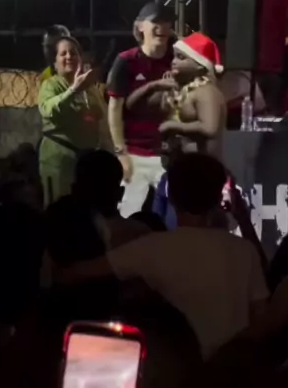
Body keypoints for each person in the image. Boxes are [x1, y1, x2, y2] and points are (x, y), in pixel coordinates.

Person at [59, 154, 270, 360]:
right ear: (217, 198)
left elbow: (73, 274)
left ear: (171, 195)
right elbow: (262, 319)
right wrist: (242, 218)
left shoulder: (151, 248)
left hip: (175, 373)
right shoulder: (245, 251)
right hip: (231, 372)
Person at [107, 2, 175, 217]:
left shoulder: (178, 60)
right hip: (134, 155)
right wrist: (121, 153)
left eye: (166, 22)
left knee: (174, 217)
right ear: (140, 27)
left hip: (167, 156)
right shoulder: (126, 61)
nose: (161, 28)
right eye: (155, 22)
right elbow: (114, 109)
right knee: (128, 215)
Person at [38, 36, 113, 205]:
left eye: (73, 53)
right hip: (59, 162)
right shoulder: (51, 85)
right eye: (63, 54)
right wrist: (73, 90)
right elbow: (48, 110)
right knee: (60, 208)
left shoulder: (90, 89)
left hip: (86, 163)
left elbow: (102, 121)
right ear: (55, 63)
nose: (69, 57)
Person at [158, 32, 226, 159]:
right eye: (174, 57)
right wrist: (166, 92)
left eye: (181, 57)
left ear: (200, 66)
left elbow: (209, 128)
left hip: (204, 164)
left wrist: (173, 126)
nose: (174, 62)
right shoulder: (185, 90)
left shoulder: (206, 91)